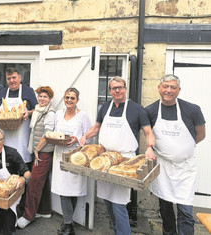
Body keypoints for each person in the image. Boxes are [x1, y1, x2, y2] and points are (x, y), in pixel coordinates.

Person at [80, 76, 156, 235]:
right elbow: (96, 127)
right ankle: (116, 230)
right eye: (114, 88)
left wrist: (150, 147)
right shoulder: (105, 107)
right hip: (105, 160)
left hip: (125, 162)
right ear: (109, 91)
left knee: (119, 205)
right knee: (107, 201)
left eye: (120, 87)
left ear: (125, 88)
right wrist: (85, 137)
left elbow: (148, 132)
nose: (117, 90)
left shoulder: (137, 109)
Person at [146, 74, 206, 235]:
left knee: (185, 211)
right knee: (165, 210)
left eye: (173, 87)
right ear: (159, 88)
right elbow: (148, 134)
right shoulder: (151, 110)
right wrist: (150, 147)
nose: (168, 90)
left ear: (179, 90)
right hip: (163, 167)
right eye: (165, 86)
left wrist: (182, 150)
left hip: (184, 168)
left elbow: (201, 135)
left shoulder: (192, 110)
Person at [51, 88, 92, 235]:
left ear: (77, 100)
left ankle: (67, 224)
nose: (69, 100)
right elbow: (55, 132)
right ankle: (68, 224)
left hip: (75, 157)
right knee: (63, 191)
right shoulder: (58, 114)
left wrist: (77, 141)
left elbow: (88, 138)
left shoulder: (83, 116)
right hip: (59, 156)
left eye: (72, 98)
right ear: (64, 98)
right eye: (67, 97)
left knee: (72, 191)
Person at [17, 86, 56, 229]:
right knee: (42, 182)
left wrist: (37, 150)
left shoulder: (50, 113)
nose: (41, 99)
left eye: (45, 97)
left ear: (50, 99)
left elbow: (47, 135)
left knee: (34, 183)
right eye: (40, 96)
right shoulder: (39, 110)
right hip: (37, 151)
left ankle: (28, 215)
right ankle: (44, 210)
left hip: (43, 152)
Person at [0, 68, 38, 166]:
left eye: (14, 77)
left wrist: (29, 112)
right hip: (5, 134)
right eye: (9, 78)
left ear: (19, 78)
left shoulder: (28, 91)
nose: (12, 81)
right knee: (6, 161)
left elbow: (37, 109)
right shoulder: (3, 91)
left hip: (21, 134)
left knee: (22, 161)